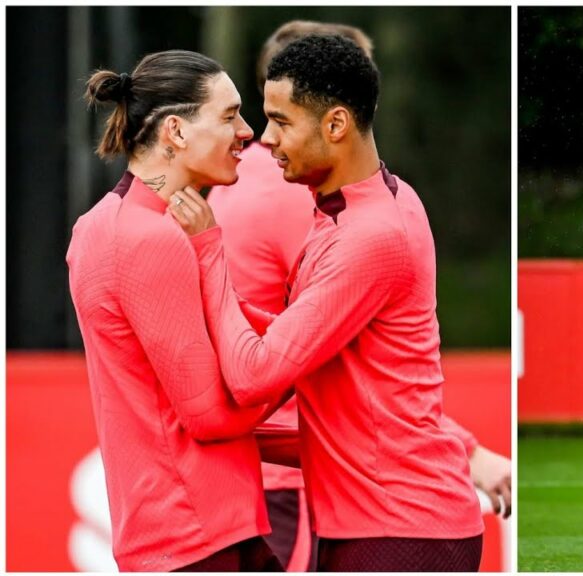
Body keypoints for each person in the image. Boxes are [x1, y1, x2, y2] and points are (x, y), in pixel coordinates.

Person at [170, 34, 485, 571]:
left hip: (401, 532)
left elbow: (255, 374)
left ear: (335, 125)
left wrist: (206, 252)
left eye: (281, 121)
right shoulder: (367, 204)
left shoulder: (370, 235)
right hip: (379, 526)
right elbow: (300, 344)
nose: (264, 139)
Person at [67, 50, 285, 571]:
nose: (248, 132)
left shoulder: (105, 226)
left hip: (183, 531)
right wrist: (298, 362)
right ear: (176, 132)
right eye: (230, 114)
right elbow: (208, 416)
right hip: (199, 534)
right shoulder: (150, 238)